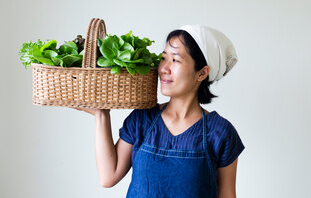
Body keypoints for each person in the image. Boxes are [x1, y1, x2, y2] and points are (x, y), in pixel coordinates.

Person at [76, 24, 245, 198]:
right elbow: (108, 177)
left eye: (175, 60)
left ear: (202, 73)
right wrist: (101, 115)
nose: (164, 68)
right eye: (164, 58)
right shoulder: (142, 119)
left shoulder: (220, 132)